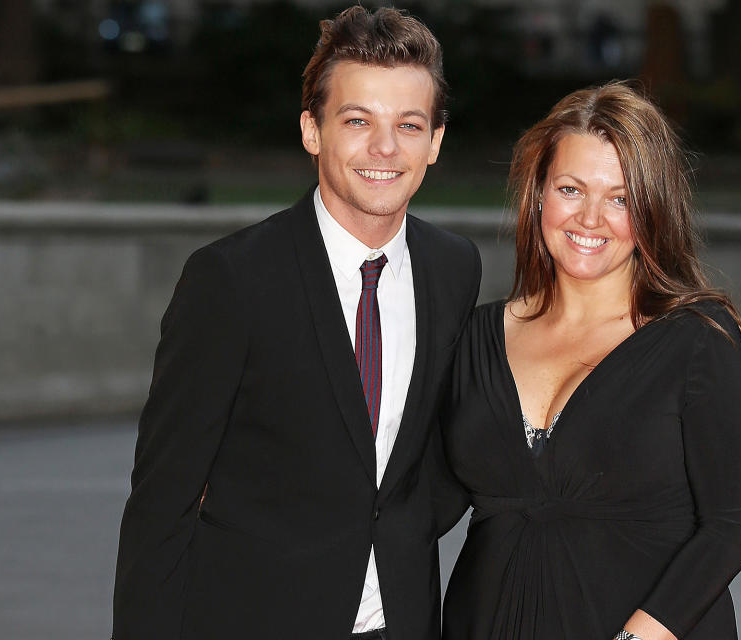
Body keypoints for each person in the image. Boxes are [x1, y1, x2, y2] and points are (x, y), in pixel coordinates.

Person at [112, 7, 480, 640]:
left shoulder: (453, 269)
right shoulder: (231, 281)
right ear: (313, 130)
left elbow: (433, 449)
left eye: (408, 125)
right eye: (357, 120)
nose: (384, 148)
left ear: (435, 143)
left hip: (402, 622)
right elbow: (161, 504)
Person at [441, 82, 741, 640]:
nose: (591, 218)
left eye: (620, 198)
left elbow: (730, 531)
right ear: (539, 194)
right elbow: (417, 499)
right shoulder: (477, 335)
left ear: (652, 210)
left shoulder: (698, 342)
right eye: (571, 189)